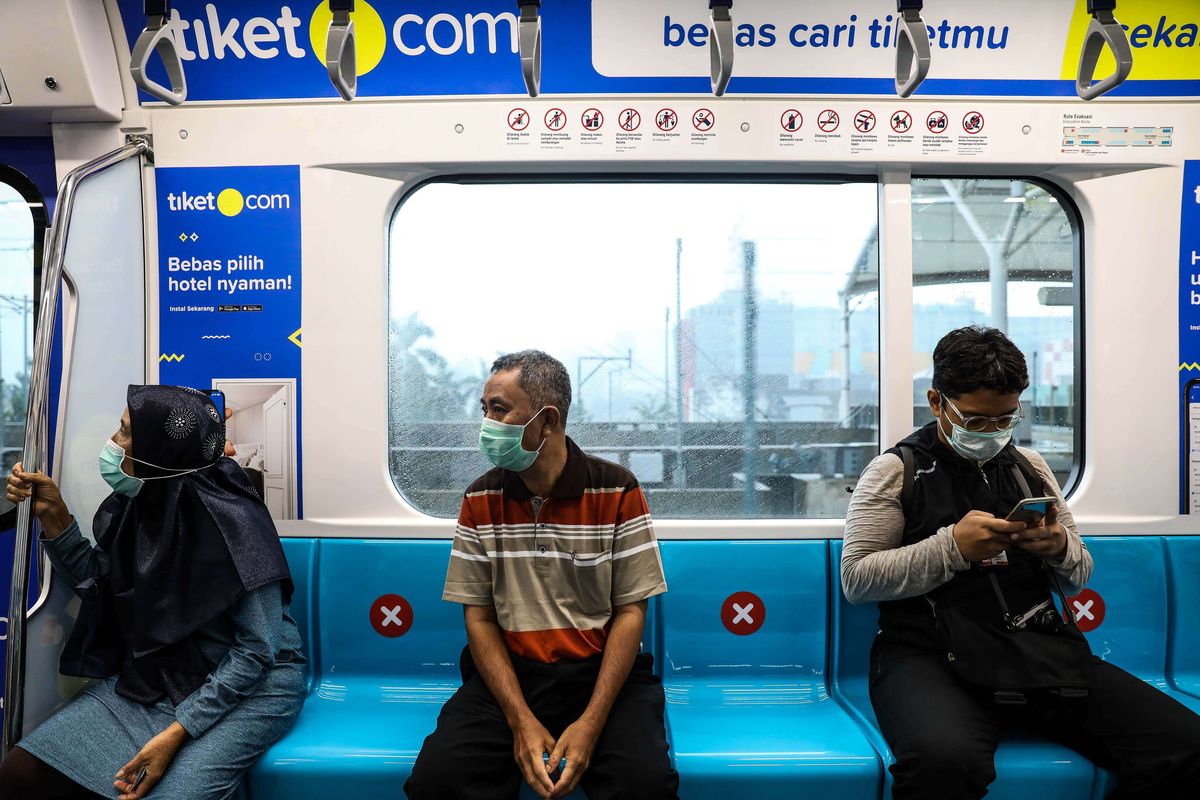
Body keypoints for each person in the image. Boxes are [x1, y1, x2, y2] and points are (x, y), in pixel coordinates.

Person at [842, 326, 1200, 799]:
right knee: (943, 766)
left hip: (1034, 646)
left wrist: (1057, 548)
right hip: (927, 657)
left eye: (1005, 420)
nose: (991, 434)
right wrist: (952, 548)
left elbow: (1080, 573)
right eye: (974, 421)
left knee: (1186, 747)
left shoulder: (1029, 466)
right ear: (936, 402)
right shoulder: (896, 472)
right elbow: (858, 578)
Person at [0, 385, 306, 800]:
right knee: (21, 772)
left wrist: (177, 732)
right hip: (162, 674)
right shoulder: (142, 504)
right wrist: (54, 514)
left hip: (251, 688)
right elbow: (100, 585)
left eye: (125, 432)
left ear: (160, 451)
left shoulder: (237, 525)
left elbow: (257, 651)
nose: (113, 443)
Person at [406, 351, 678, 800]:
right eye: (485, 409)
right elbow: (481, 618)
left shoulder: (618, 490)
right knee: (438, 781)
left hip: (603, 674)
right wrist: (520, 721)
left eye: (499, 409)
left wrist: (590, 725)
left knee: (643, 785)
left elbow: (630, 611)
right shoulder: (481, 498)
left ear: (546, 420)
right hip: (512, 677)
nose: (487, 423)